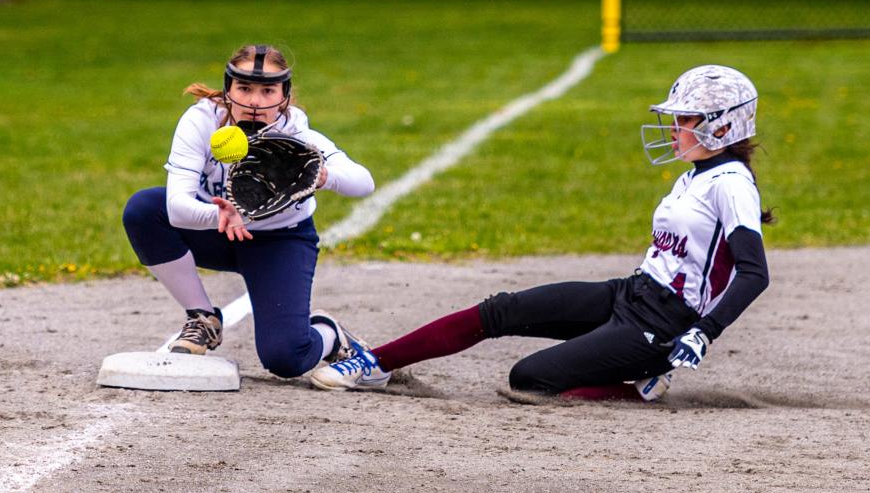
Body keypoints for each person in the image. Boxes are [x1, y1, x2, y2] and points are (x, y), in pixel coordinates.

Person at [311, 64, 772, 401]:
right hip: (631, 294)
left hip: (663, 327)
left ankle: (642, 386)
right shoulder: (693, 174)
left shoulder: (731, 184)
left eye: (686, 119)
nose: (674, 129)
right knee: (501, 311)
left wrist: (703, 333)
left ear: (724, 126)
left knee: (529, 379)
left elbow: (754, 273)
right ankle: (374, 364)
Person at [122, 44, 375, 379]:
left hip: (279, 243)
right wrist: (219, 217)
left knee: (286, 358)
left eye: (267, 90)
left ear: (284, 96)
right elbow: (178, 209)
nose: (255, 101)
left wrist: (325, 176)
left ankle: (329, 334)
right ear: (228, 89)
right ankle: (202, 318)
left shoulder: (295, 132)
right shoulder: (202, 121)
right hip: (215, 231)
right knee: (143, 208)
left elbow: (364, 183)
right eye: (244, 88)